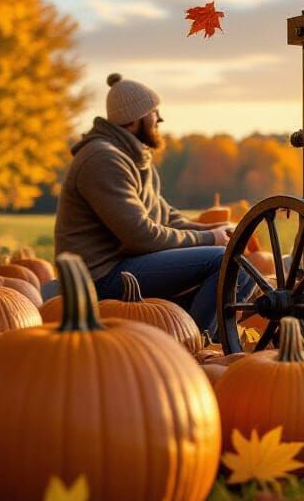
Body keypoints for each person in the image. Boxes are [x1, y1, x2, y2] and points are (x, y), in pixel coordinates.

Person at [54, 73, 252, 338]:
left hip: (127, 264)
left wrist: (213, 230)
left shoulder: (132, 156)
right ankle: (192, 345)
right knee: (225, 261)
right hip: (99, 277)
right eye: (154, 112)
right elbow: (142, 236)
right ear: (134, 119)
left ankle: (204, 338)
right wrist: (209, 238)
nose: (159, 119)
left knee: (239, 263)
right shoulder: (103, 160)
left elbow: (165, 217)